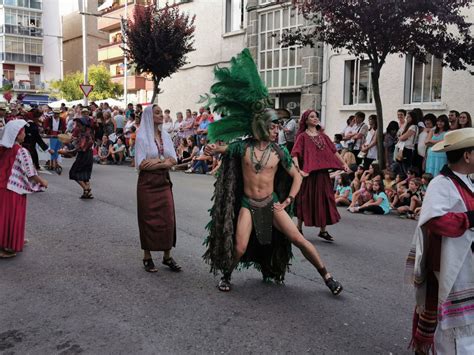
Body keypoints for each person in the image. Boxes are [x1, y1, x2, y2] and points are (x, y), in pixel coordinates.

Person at [203, 49, 342, 295]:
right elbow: (219, 148)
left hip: (271, 204)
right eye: (273, 125)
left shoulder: (280, 152)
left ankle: (327, 276)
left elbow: (297, 176)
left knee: (299, 240)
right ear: (261, 127)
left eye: (278, 125)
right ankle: (227, 275)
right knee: (241, 245)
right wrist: (210, 147)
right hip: (248, 204)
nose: (277, 129)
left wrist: (288, 200)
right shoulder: (243, 147)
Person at [406, 128, 474, 354]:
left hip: (466, 266)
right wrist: (468, 219)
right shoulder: (441, 184)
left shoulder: (467, 182)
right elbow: (435, 222)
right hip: (450, 268)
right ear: (467, 155)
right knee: (451, 331)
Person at [135, 105, 181, 273]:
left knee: (168, 219)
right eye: (157, 113)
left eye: (161, 112)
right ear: (149, 116)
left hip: (163, 182)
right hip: (147, 184)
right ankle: (147, 256)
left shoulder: (166, 136)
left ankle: (167, 256)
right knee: (148, 219)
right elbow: (141, 164)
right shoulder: (142, 138)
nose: (161, 115)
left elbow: (173, 160)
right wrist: (163, 162)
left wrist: (155, 162)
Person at [291, 109, 350, 241]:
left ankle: (323, 231)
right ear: (306, 121)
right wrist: (299, 170)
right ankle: (298, 228)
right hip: (309, 175)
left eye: (316, 116)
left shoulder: (323, 136)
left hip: (322, 175)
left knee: (324, 199)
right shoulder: (302, 137)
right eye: (312, 117)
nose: (315, 118)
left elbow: (334, 152)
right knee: (305, 200)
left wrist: (344, 164)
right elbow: (294, 154)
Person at [0, 120, 48, 258]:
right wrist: (43, 181)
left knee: (4, 217)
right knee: (12, 217)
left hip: (3, 187)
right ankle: (5, 247)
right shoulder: (22, 151)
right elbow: (31, 172)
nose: (25, 134)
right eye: (23, 132)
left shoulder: (4, 148)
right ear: (17, 134)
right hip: (13, 188)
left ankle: (12, 241)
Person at [68, 117, 94, 199]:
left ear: (84, 125)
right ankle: (87, 193)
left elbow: (81, 147)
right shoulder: (87, 132)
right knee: (85, 174)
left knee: (74, 173)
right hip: (89, 154)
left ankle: (87, 189)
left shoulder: (85, 134)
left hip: (84, 155)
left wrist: (69, 151)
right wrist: (76, 139)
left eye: (79, 125)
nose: (77, 127)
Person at [43, 108, 67, 173]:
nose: (56, 114)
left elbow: (64, 128)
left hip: (59, 136)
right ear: (53, 113)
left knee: (57, 149)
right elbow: (45, 126)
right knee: (51, 149)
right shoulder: (48, 119)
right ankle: (51, 163)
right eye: (55, 113)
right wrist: (47, 129)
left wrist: (62, 131)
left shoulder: (62, 119)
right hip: (50, 135)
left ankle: (55, 163)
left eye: (58, 113)